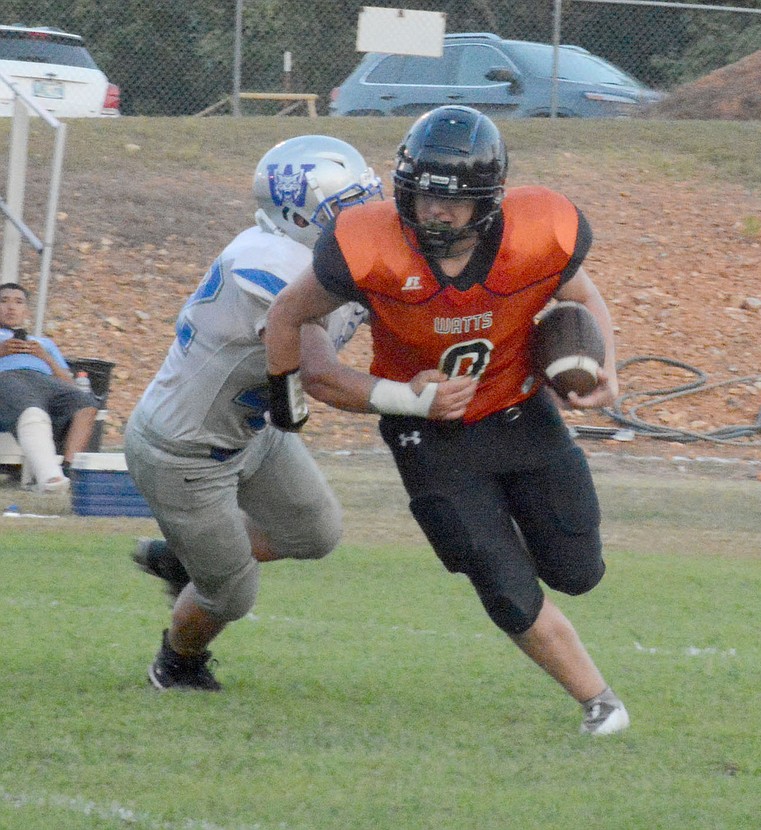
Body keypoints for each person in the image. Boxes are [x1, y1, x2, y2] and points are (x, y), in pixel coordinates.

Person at [264, 106, 630, 736]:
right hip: (430, 438)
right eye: (421, 197)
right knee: (501, 580)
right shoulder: (367, 241)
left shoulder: (540, 230)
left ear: (488, 202)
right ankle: (599, 701)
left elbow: (581, 296)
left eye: (450, 204)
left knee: (578, 570)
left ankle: (582, 656)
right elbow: (287, 314)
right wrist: (288, 390)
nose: (432, 214)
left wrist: (607, 368)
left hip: (520, 412)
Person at [124, 135, 383, 691]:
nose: (367, 217)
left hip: (252, 433)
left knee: (316, 532)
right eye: (347, 207)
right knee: (231, 594)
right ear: (296, 215)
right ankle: (178, 665)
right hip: (184, 449)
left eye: (369, 198)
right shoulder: (269, 261)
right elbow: (320, 375)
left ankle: (184, 556)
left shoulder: (334, 257)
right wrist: (417, 400)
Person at [0, 282, 98, 492]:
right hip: (6, 379)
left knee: (86, 405)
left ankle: (69, 471)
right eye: (4, 301)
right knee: (32, 412)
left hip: (46, 382)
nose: (11, 307)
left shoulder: (43, 343)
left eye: (18, 302)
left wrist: (44, 357)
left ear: (26, 310)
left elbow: (69, 383)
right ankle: (50, 478)